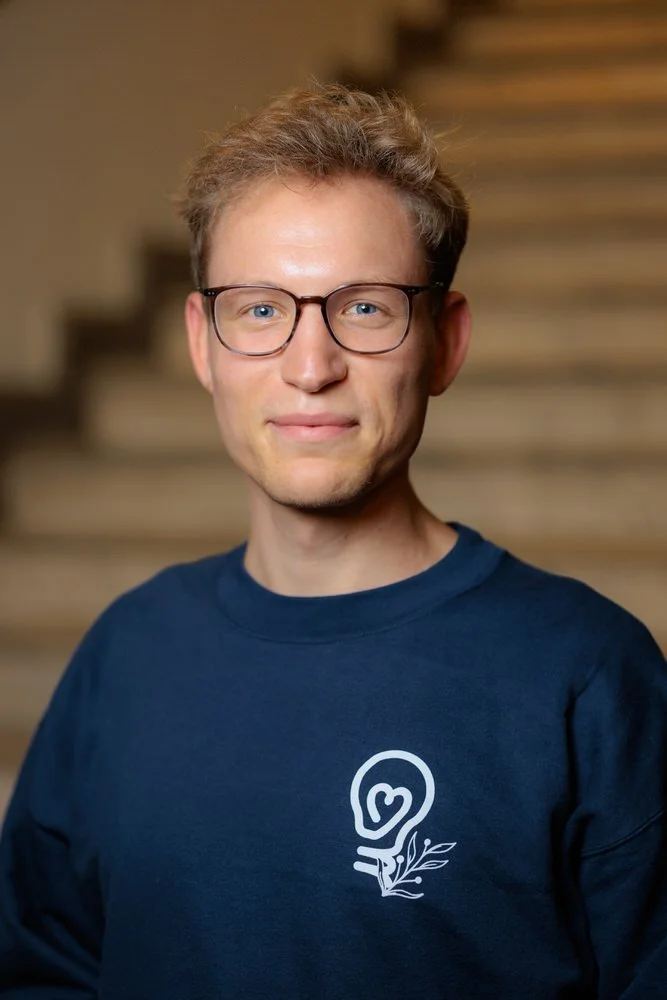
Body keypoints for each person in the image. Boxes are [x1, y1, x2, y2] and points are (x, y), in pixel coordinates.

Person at [0, 84, 665, 1000]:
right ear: (202, 343)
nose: (310, 368)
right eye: (259, 310)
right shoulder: (127, 650)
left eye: (363, 308)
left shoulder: (586, 675)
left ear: (444, 343)